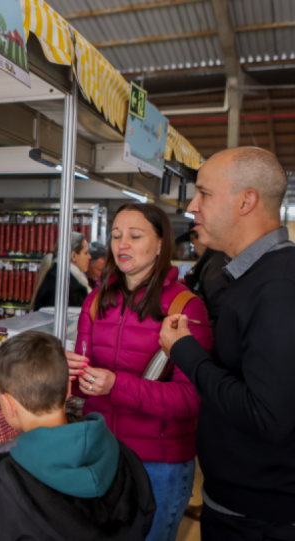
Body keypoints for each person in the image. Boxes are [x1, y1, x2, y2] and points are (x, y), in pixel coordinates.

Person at [159, 147, 295, 541]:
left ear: (246, 200)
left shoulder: (278, 286)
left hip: (261, 518)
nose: (192, 206)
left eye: (204, 193)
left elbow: (267, 416)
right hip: (239, 504)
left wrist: (185, 352)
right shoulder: (250, 277)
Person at [66, 203, 213, 541]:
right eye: (116, 236)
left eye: (135, 236)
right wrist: (68, 373)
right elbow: (82, 381)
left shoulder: (185, 307)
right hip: (101, 456)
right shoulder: (96, 300)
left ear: (161, 245)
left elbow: (192, 398)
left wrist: (115, 385)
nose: (122, 246)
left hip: (158, 465)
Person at [0, 331, 156, 541]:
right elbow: (146, 514)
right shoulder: (124, 455)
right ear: (69, 388)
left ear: (7, 405)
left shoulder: (5, 488)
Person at [181, 231, 229, 330]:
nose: (194, 249)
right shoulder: (214, 261)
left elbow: (218, 311)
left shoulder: (216, 264)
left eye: (193, 243)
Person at [31, 231, 91, 310]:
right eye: (86, 253)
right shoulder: (66, 285)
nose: (89, 257)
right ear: (73, 256)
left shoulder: (58, 277)